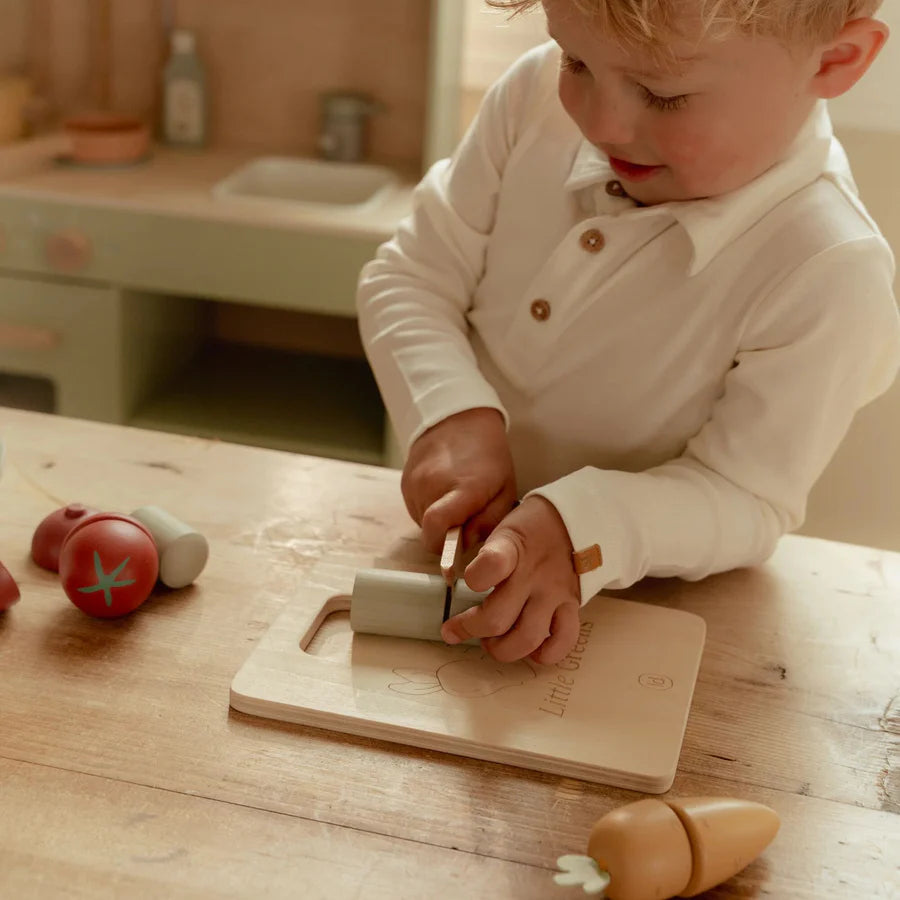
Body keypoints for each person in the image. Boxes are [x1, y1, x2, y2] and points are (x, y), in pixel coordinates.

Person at [356, 0, 900, 666]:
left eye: (665, 95)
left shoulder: (829, 269)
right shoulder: (532, 98)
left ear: (836, 61)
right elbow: (410, 278)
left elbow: (747, 498)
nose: (599, 122)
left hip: (651, 629)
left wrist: (586, 526)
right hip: (449, 574)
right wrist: (447, 414)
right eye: (575, 59)